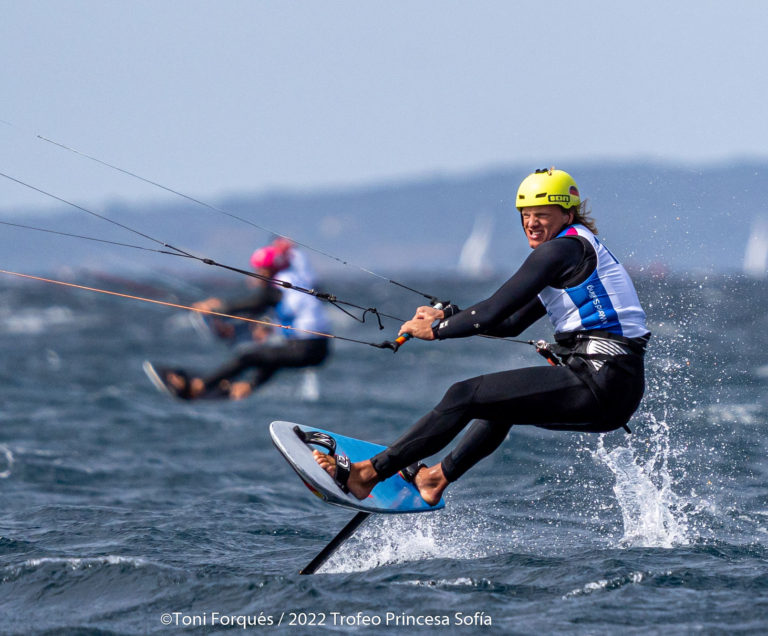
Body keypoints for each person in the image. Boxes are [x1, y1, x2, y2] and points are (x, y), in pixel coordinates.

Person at [313, 167, 650, 506]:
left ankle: (366, 475)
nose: (531, 223)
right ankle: (435, 478)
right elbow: (511, 322)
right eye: (526, 215)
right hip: (613, 387)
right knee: (497, 402)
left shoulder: (560, 251)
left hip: (601, 380)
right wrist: (448, 314)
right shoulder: (573, 253)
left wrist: (436, 330)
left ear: (567, 214)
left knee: (464, 394)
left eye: (542, 215)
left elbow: (491, 312)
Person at [163, 238, 332, 400]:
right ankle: (248, 387)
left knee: (248, 357)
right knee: (267, 356)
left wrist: (216, 308)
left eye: (261, 271)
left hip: (307, 348)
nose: (258, 275)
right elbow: (261, 306)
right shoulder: (293, 277)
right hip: (316, 347)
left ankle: (198, 387)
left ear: (271, 270)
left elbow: (254, 303)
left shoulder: (278, 287)